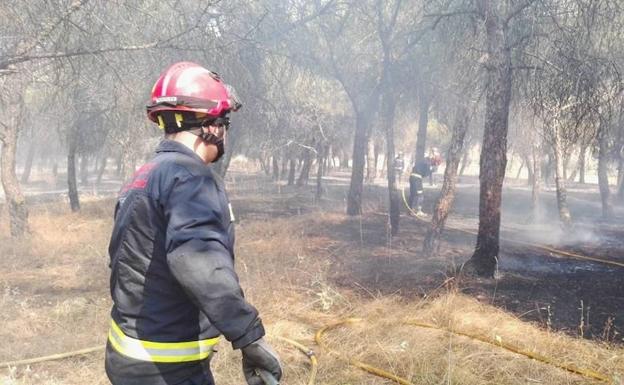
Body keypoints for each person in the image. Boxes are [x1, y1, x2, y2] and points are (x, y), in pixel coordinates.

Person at [105, 62, 282, 385]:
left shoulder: (145, 175)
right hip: (168, 367)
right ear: (211, 126)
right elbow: (201, 265)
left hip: (127, 355)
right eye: (224, 122)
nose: (225, 132)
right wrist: (249, 337)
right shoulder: (191, 180)